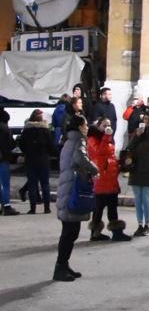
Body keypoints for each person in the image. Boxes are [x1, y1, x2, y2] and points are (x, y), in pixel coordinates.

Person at [53, 112, 98, 281]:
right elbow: (81, 159)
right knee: (69, 233)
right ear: (80, 126)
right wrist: (95, 169)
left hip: (66, 188)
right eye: (85, 125)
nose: (87, 128)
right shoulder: (79, 140)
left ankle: (63, 265)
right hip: (72, 189)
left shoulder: (68, 141)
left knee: (70, 231)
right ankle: (60, 268)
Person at [86, 118, 131, 242]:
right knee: (99, 207)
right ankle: (95, 233)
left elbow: (110, 157)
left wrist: (120, 163)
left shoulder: (107, 139)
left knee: (112, 207)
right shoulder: (93, 139)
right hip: (101, 177)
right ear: (98, 126)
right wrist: (106, 137)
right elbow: (99, 152)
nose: (107, 127)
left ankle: (116, 233)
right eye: (105, 125)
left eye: (109, 125)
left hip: (110, 177)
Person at [121, 111, 149, 234]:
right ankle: (140, 224)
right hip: (136, 168)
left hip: (148, 169)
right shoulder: (138, 133)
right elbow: (129, 147)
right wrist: (137, 136)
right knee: (138, 199)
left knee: (145, 198)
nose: (146, 122)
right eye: (144, 119)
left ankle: (147, 225)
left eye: (148, 119)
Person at [18, 109, 55, 213]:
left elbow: (22, 145)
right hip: (44, 159)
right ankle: (47, 208)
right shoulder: (45, 130)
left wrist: (27, 152)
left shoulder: (27, 130)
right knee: (45, 183)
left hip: (30, 159)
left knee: (32, 183)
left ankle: (32, 208)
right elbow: (51, 146)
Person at [0, 110, 19, 215]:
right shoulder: (5, 129)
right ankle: (6, 206)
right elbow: (11, 144)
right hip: (3, 159)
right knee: (5, 184)